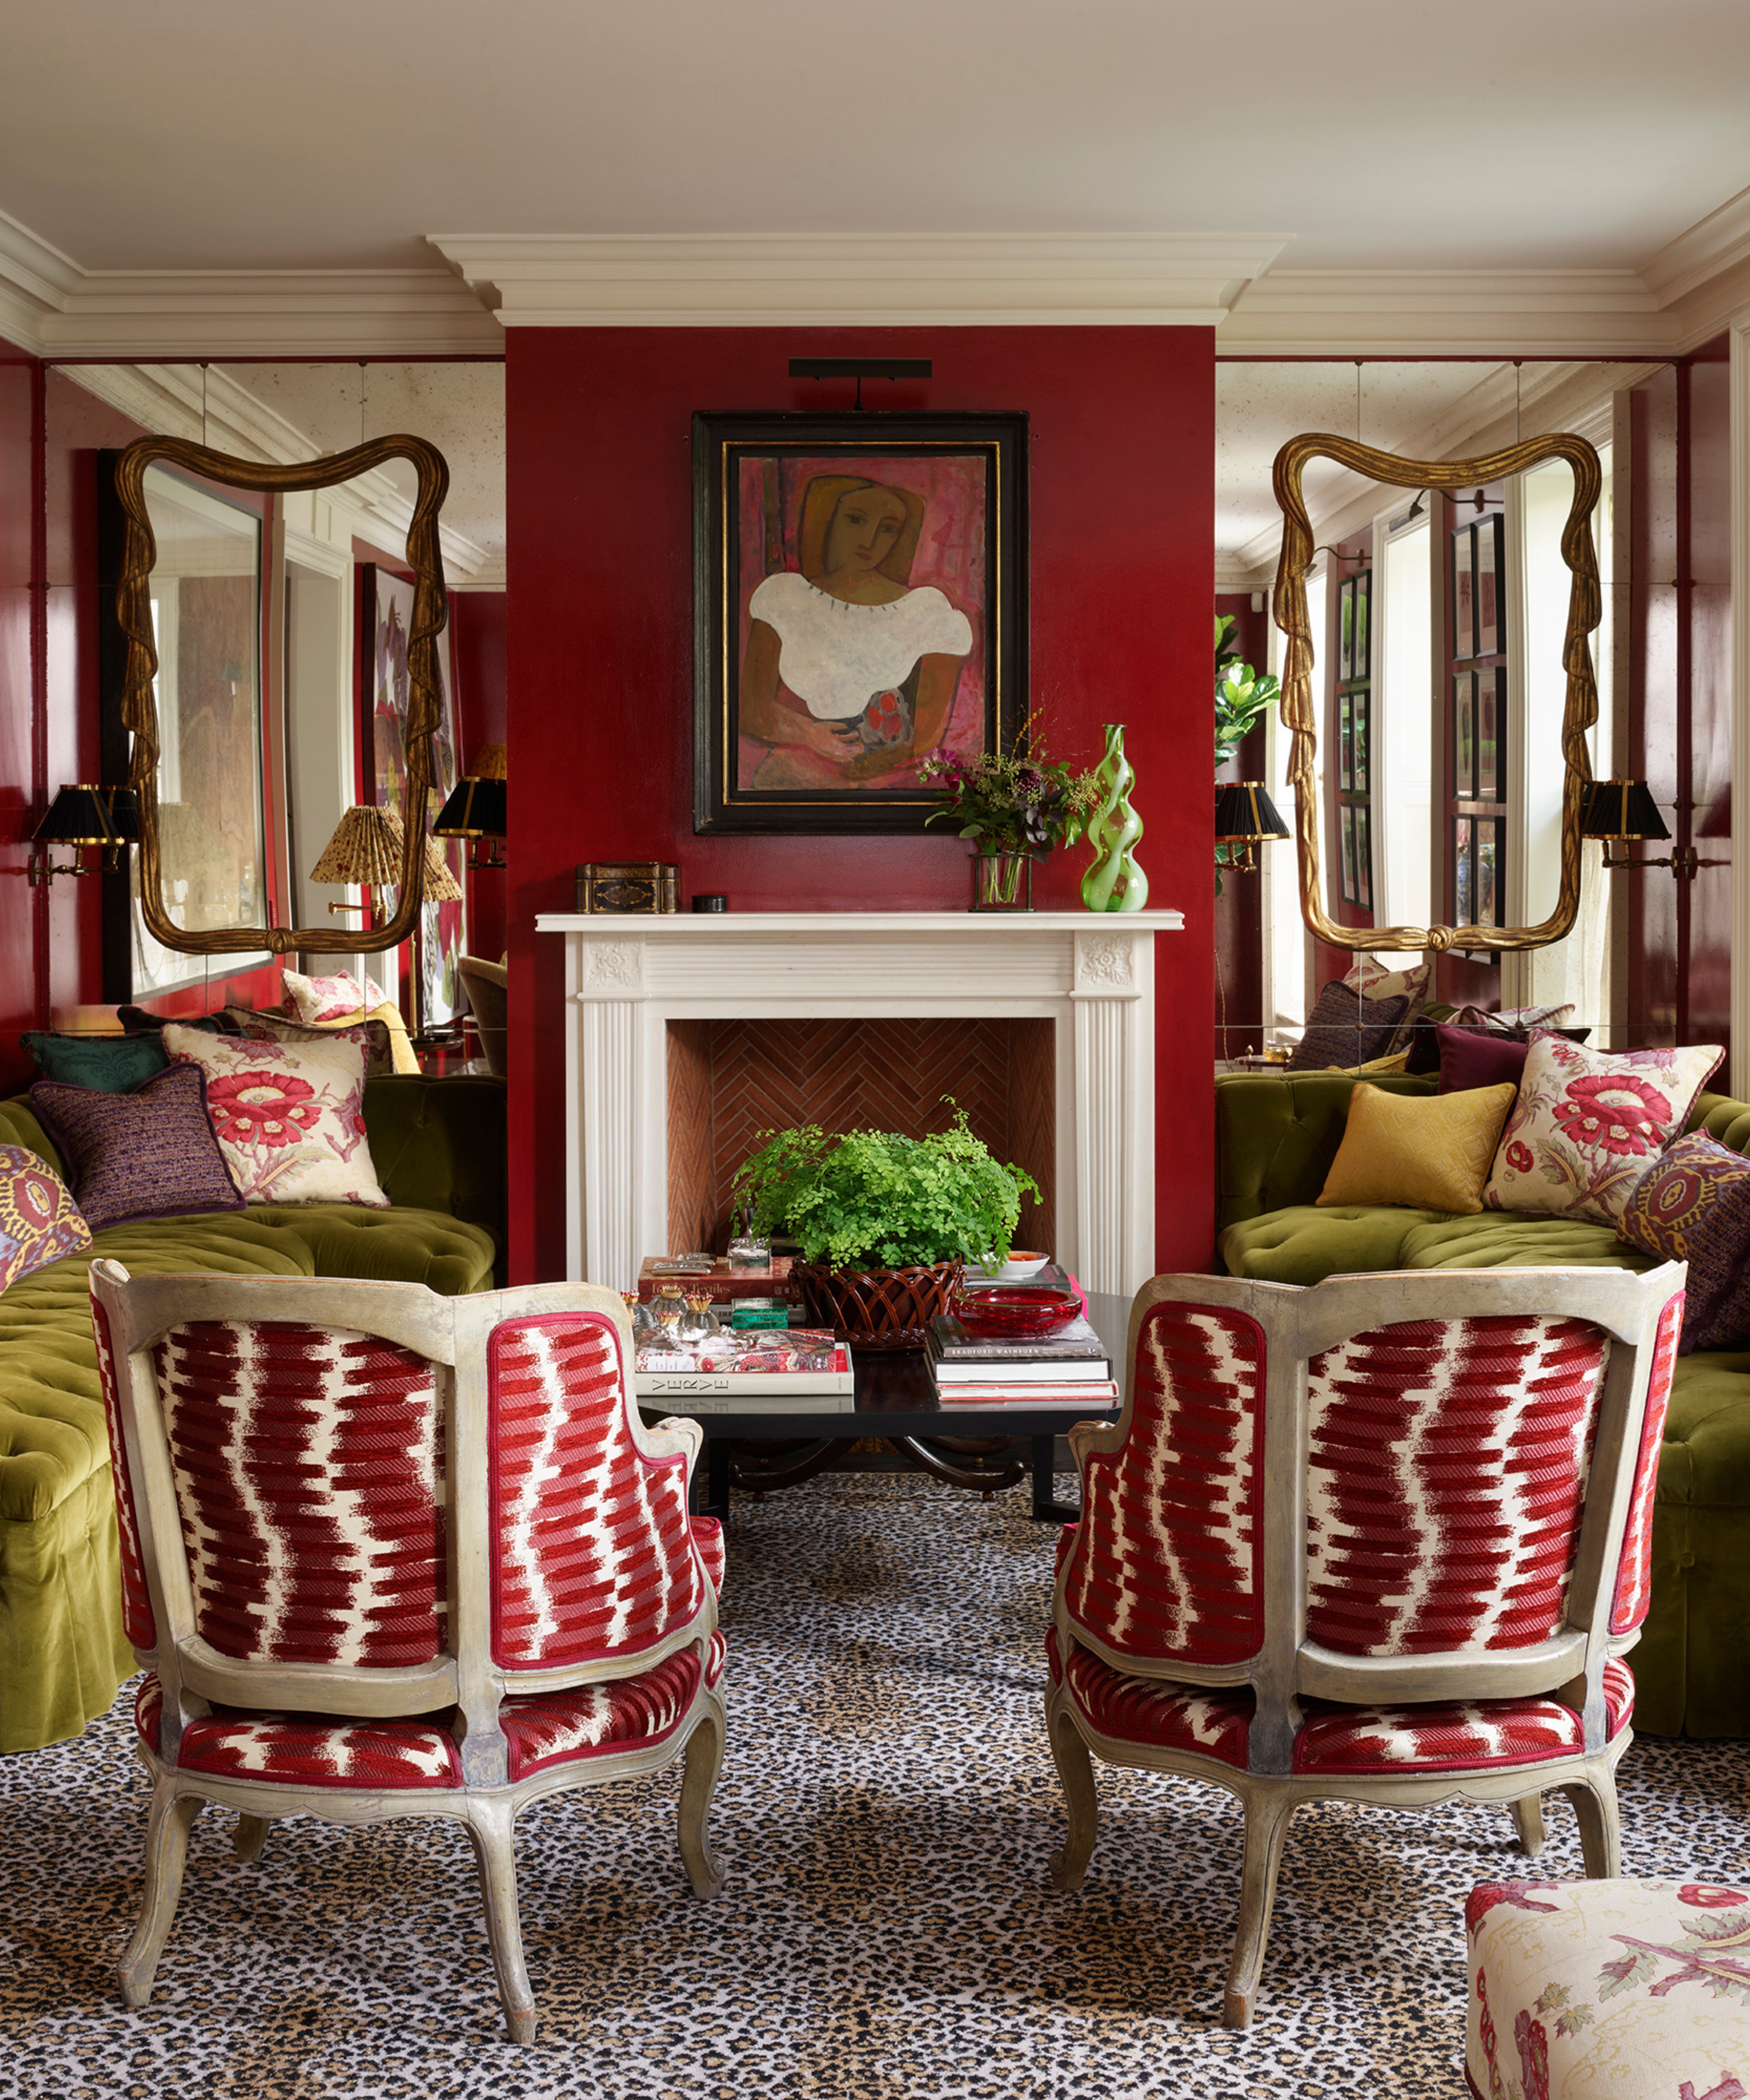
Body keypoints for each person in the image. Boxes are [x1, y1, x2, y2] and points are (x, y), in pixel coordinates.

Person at [738, 473, 974, 789]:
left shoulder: (926, 611)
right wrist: (810, 735)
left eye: (888, 528)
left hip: (889, 785)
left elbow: (927, 731)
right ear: (830, 522)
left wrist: (866, 771)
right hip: (792, 779)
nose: (871, 540)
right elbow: (751, 710)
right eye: (855, 520)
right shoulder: (785, 598)